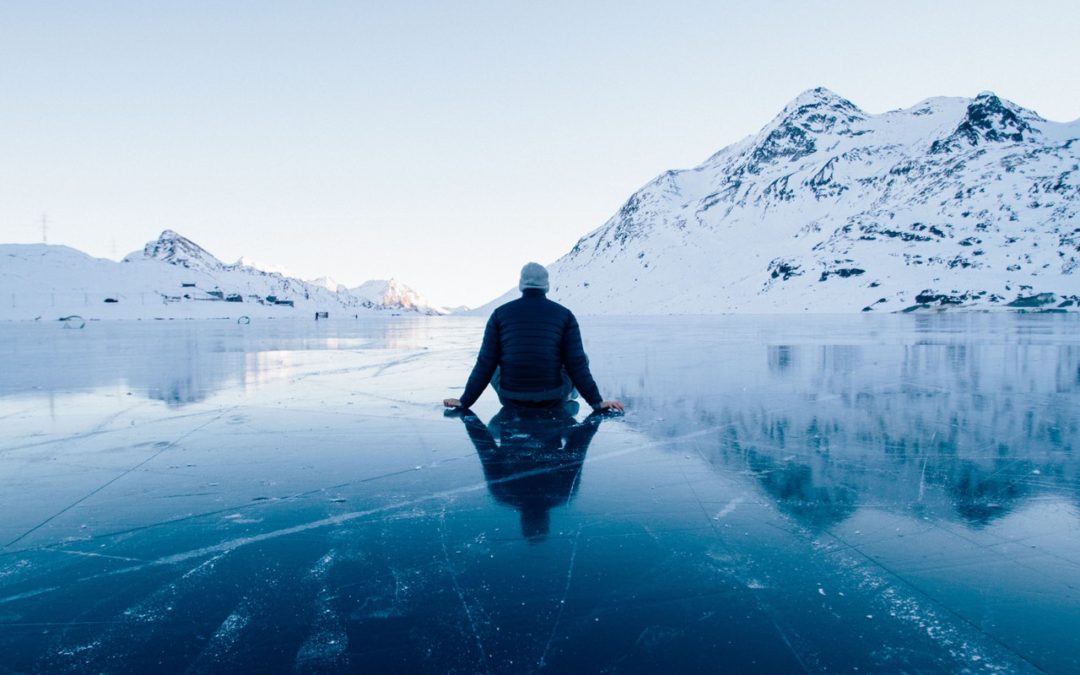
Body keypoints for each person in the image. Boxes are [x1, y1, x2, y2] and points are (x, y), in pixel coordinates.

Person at [443, 262, 624, 413]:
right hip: (553, 397)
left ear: (521, 284)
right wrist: (597, 403)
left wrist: (465, 401)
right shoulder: (565, 315)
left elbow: (485, 363)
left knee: (493, 359)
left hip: (510, 397)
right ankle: (570, 394)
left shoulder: (499, 314)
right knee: (581, 358)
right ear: (546, 285)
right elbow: (575, 363)